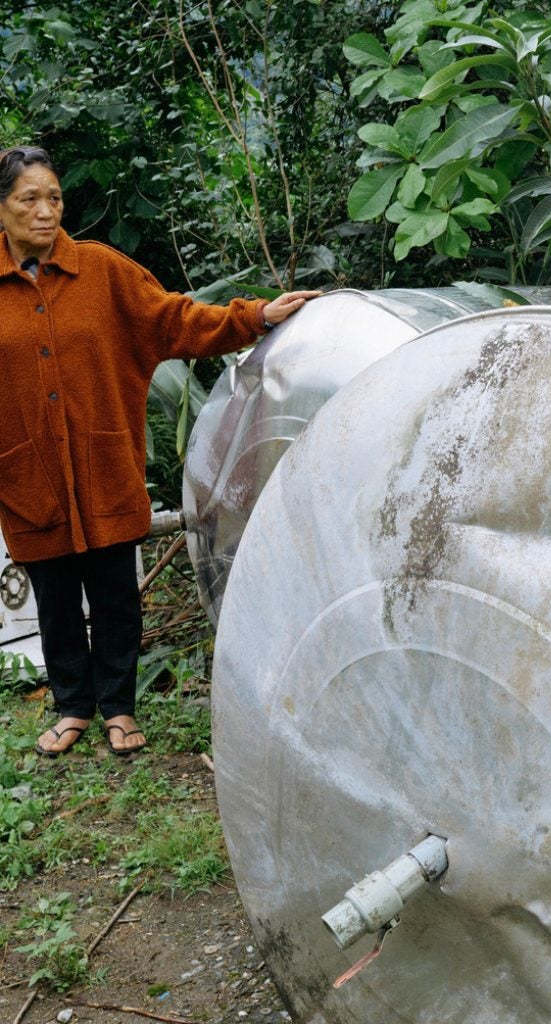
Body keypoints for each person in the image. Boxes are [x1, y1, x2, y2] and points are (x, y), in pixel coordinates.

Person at [0, 145, 319, 757]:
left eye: (54, 198)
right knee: (55, 596)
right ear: (3, 208)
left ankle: (118, 707)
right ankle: (73, 707)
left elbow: (175, 321)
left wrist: (253, 315)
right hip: (28, 473)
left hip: (103, 464)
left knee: (116, 592)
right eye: (29, 199)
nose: (46, 212)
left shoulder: (100, 271)